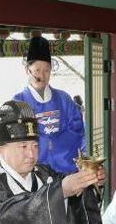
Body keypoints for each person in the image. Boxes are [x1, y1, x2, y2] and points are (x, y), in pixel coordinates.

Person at [14, 36, 86, 174]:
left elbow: (78, 131)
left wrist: (55, 143)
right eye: (37, 70)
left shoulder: (64, 99)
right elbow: (17, 142)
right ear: (28, 70)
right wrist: (45, 142)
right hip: (35, 173)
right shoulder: (18, 102)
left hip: (67, 168)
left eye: (46, 70)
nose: (42, 75)